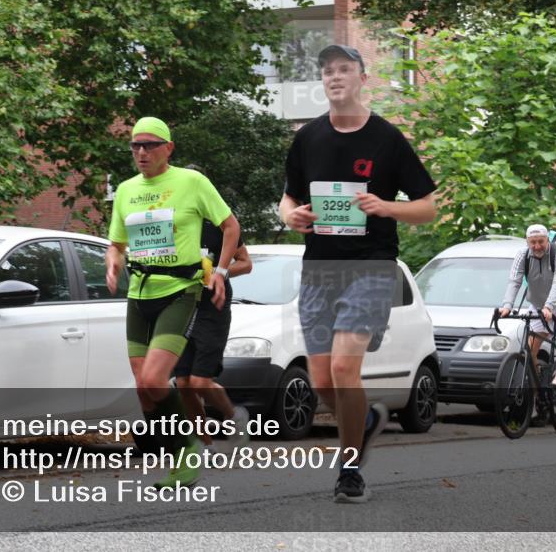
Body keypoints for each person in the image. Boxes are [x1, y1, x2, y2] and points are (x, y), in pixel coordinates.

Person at [280, 44, 437, 503]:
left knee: (347, 367)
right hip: (318, 270)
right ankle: (363, 422)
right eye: (327, 71)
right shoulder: (308, 137)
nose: (335, 77)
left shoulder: (386, 139)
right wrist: (290, 216)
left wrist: (384, 206)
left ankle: (349, 470)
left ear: (362, 78)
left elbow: (428, 208)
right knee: (323, 380)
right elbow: (288, 198)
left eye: (344, 69)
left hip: (371, 265)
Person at [105, 116, 240, 488]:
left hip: (180, 291)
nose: (142, 152)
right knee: (143, 388)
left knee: (155, 378)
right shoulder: (126, 190)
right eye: (135, 145)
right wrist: (114, 261)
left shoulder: (191, 182)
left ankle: (187, 450)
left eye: (150, 145)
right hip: (139, 294)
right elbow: (116, 243)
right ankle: (181, 443)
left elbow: (231, 227)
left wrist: (222, 272)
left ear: (168, 148)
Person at [175, 217, 254, 450]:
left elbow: (246, 263)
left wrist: (220, 273)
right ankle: (204, 445)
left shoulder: (220, 225)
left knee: (200, 381)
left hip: (213, 309)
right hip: (181, 307)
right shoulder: (173, 224)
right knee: (183, 382)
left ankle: (233, 416)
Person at [498, 224, 556, 389]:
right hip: (538, 305)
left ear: (547, 240)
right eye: (532, 242)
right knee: (529, 352)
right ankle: (538, 395)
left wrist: (549, 307)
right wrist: (507, 306)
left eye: (541, 241)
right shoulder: (522, 255)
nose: (536, 246)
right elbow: (515, 281)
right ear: (527, 242)